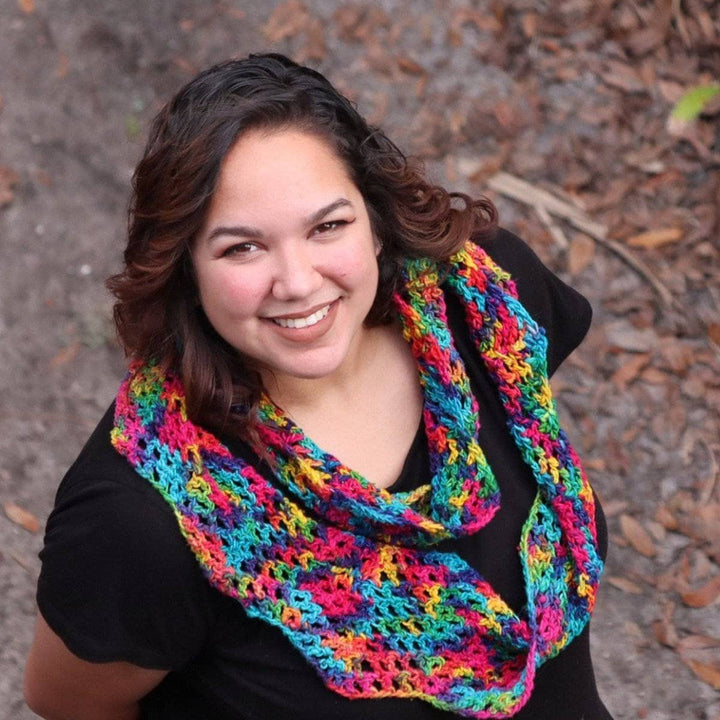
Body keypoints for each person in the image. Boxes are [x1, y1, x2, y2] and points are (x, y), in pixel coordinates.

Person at [24, 53, 613, 720]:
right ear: (184, 266)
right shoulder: (142, 520)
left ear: (373, 214)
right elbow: (66, 701)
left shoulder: (483, 299)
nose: (298, 282)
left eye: (327, 226)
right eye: (242, 247)